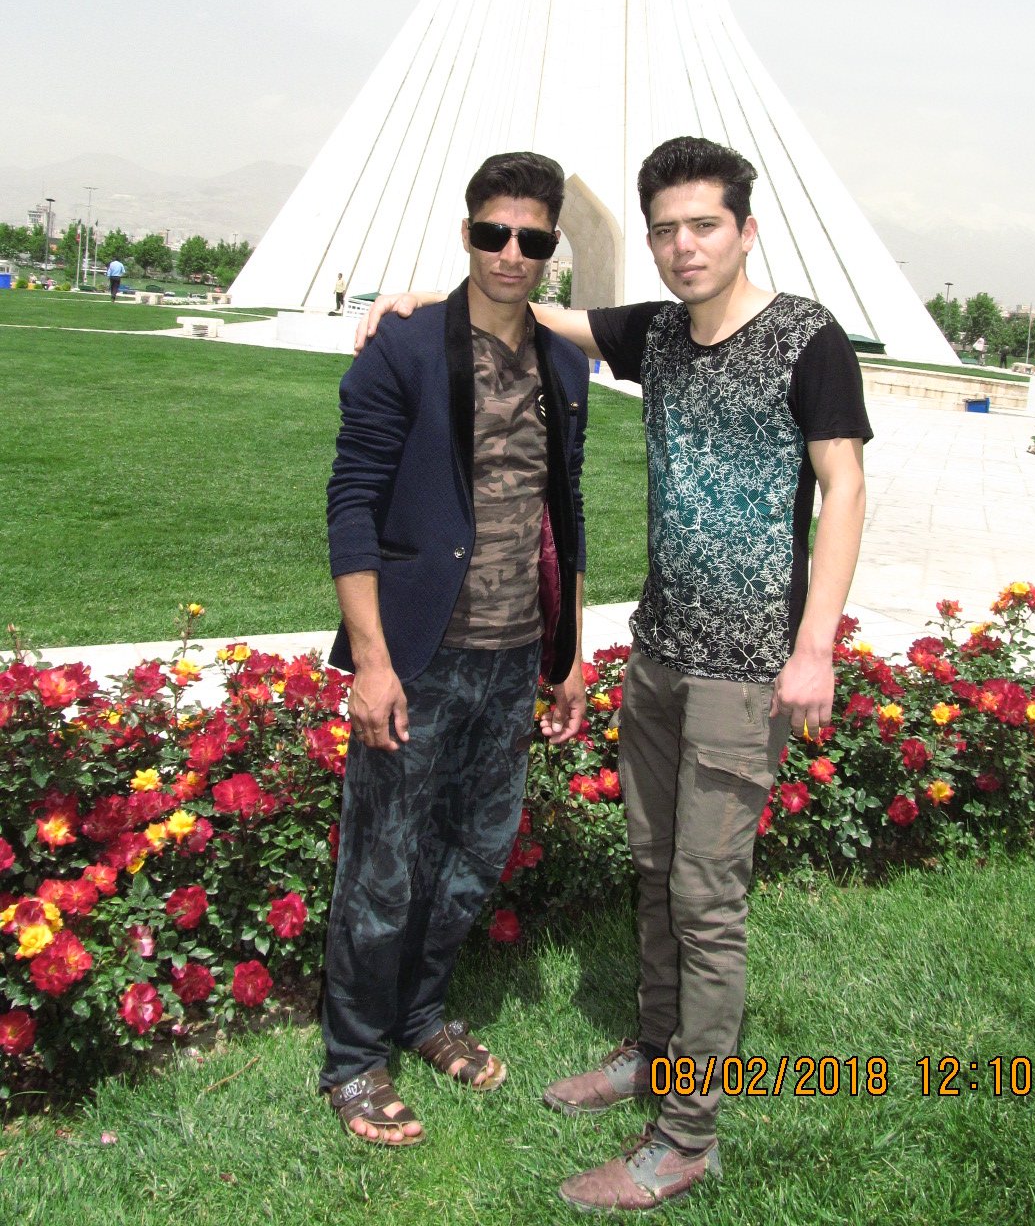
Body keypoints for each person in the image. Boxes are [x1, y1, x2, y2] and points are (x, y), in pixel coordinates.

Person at [361, 135, 871, 1210]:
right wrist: (419, 297)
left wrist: (815, 646)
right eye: (667, 231)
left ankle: (687, 1133)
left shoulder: (807, 340)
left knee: (706, 895)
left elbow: (845, 489)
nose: (685, 247)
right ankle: (654, 1047)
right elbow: (531, 308)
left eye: (705, 226)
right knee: (654, 870)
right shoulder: (661, 335)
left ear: (746, 227)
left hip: (747, 668)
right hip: (661, 656)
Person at [322, 151, 589, 1149]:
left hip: (513, 655)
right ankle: (354, 1057)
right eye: (493, 233)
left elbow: (562, 514)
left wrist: (565, 646)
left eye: (531, 238)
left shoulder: (565, 366)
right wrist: (374, 660)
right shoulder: (400, 351)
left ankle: (421, 1014)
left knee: (475, 860)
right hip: (421, 655)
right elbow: (352, 506)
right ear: (467, 231)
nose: (511, 253)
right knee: (383, 866)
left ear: (552, 247)